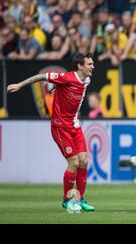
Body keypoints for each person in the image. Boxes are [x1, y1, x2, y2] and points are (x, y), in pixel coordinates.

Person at [7, 53, 96, 213]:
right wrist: (19, 85)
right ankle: (67, 201)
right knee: (74, 163)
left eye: (92, 63)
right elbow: (41, 76)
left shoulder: (86, 80)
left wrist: (57, 89)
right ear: (79, 66)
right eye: (89, 64)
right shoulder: (66, 77)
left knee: (84, 161)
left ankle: (79, 199)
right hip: (60, 126)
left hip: (75, 126)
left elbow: (68, 92)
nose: (92, 67)